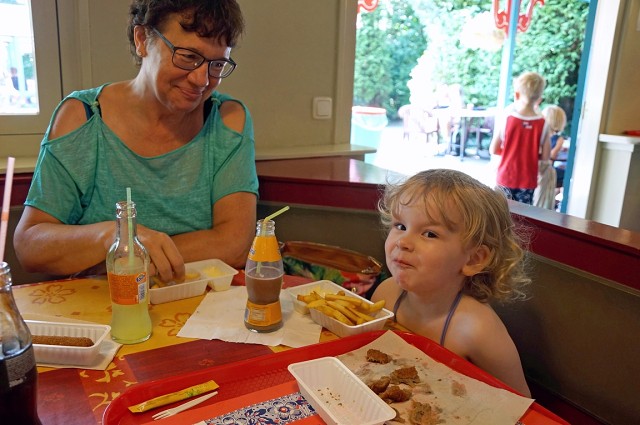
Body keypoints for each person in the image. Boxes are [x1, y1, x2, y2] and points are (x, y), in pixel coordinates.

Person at [14, 0, 258, 283]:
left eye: (216, 64)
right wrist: (113, 236)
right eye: (188, 56)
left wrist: (124, 259)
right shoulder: (82, 117)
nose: (201, 79)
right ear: (142, 39)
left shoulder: (227, 119)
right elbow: (30, 246)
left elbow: (235, 244)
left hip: (202, 304)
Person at [371, 169, 532, 397]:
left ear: (474, 259)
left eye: (429, 234)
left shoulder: (479, 330)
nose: (403, 242)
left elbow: (521, 404)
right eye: (400, 226)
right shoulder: (385, 295)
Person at [489, 71, 551, 205]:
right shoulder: (543, 124)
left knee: (500, 212)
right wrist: (530, 155)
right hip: (527, 180)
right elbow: (546, 157)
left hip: (505, 176)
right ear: (539, 99)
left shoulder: (507, 119)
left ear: (516, 95)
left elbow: (493, 149)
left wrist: (510, 152)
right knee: (522, 215)